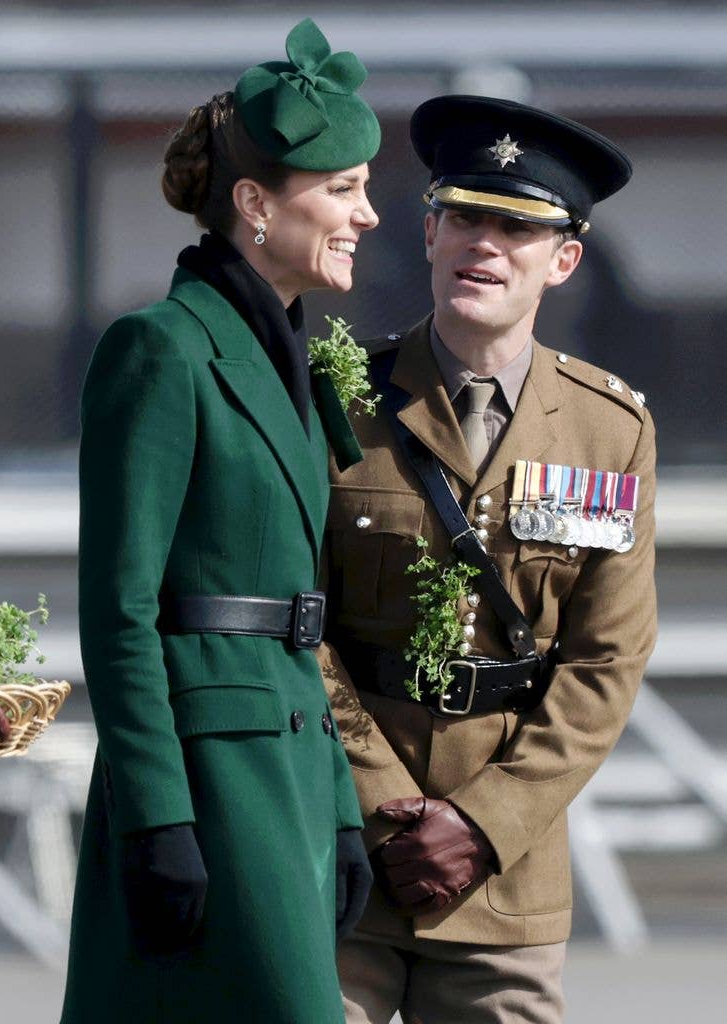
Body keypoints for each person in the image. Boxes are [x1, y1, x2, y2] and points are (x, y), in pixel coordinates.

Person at [60, 18, 380, 1024]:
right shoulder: (160, 349)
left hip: (284, 768)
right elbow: (119, 609)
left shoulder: (288, 353)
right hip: (207, 778)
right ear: (253, 203)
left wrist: (336, 812)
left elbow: (299, 615)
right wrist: (156, 817)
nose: (367, 214)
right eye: (341, 188)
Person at [319, 95, 657, 1024]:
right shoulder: (335, 401)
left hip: (501, 878)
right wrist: (384, 802)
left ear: (563, 261)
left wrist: (481, 825)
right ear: (427, 233)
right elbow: (296, 624)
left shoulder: (607, 428)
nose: (485, 244)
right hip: (345, 848)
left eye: (518, 227)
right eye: (465, 215)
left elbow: (606, 659)